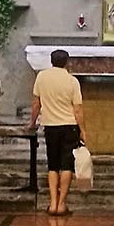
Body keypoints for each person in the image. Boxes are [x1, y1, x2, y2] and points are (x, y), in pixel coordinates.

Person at [29, 48, 85, 216]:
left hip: (50, 126)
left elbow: (36, 104)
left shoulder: (42, 77)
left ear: (51, 61)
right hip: (69, 125)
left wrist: (32, 122)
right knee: (67, 165)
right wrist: (83, 130)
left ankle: (52, 203)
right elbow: (78, 109)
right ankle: (62, 204)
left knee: (52, 165)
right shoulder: (72, 80)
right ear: (67, 62)